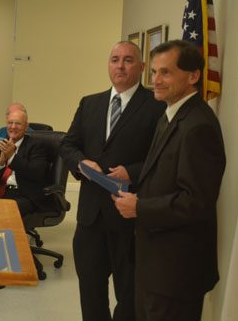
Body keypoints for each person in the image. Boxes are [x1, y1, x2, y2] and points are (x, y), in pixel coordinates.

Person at [113, 40, 226, 321]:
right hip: (154, 264)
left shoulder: (198, 126)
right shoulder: (169, 115)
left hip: (176, 271)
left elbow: (196, 202)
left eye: (165, 73)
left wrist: (140, 208)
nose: (155, 81)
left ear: (193, 76)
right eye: (153, 72)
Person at [59, 41, 165, 321]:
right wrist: (81, 163)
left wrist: (132, 172)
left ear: (142, 67)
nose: (120, 66)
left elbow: (164, 158)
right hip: (91, 217)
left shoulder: (156, 106)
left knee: (129, 294)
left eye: (128, 60)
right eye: (115, 59)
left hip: (129, 218)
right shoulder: (90, 103)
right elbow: (67, 145)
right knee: (90, 290)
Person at [0, 108, 50, 217]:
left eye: (18, 124)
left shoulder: (37, 146)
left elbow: (36, 173)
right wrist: (0, 161)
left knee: (1, 212)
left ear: (26, 126)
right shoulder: (1, 144)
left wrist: (12, 157)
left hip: (22, 194)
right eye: (10, 123)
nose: (13, 127)